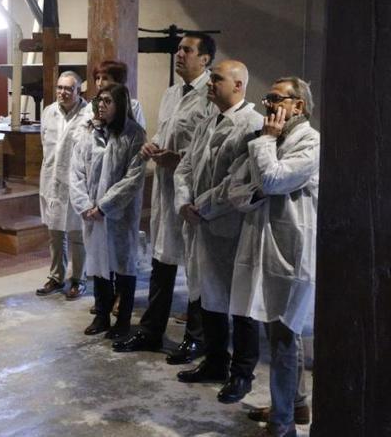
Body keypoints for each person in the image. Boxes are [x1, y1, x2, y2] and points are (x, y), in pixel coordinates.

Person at [113, 32, 215, 364]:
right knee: (162, 259)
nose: (179, 54)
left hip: (194, 190)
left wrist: (181, 159)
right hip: (166, 187)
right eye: (179, 49)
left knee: (197, 267)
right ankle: (151, 330)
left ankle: (197, 338)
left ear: (205, 59)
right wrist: (151, 144)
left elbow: (212, 147)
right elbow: (164, 130)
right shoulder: (172, 93)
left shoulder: (211, 96)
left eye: (187, 50)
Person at [228, 77, 319, 437]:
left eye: (277, 99)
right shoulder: (266, 141)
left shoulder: (310, 142)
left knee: (283, 337)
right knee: (281, 332)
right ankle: (294, 405)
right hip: (263, 249)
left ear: (299, 106)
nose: (268, 106)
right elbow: (237, 189)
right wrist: (257, 188)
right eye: (267, 99)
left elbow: (271, 180)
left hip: (290, 253)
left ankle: (282, 425)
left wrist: (265, 144)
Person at [171, 60, 264, 404]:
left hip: (233, 228)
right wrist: (184, 202)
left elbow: (239, 181)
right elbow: (186, 166)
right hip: (201, 225)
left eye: (217, 79)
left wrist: (202, 207)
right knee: (208, 297)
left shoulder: (252, 125)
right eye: (210, 79)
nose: (210, 83)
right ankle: (214, 362)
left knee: (241, 305)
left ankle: (242, 374)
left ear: (238, 86)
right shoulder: (207, 121)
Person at [69, 84, 146, 339]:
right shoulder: (90, 133)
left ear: (121, 105)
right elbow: (76, 171)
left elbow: (133, 178)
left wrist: (104, 207)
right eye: (99, 100)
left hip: (118, 215)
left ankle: (122, 320)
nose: (101, 105)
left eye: (108, 101)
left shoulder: (134, 135)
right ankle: (101, 315)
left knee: (123, 267)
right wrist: (84, 205)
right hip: (91, 212)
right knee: (99, 265)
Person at [35, 71, 92, 300]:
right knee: (55, 232)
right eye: (60, 87)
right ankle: (56, 276)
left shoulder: (88, 114)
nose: (63, 92)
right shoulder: (49, 112)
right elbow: (44, 143)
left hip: (76, 183)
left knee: (77, 234)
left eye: (68, 88)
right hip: (51, 180)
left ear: (79, 90)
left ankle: (79, 278)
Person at [93, 60, 147, 129]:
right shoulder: (90, 106)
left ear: (117, 81)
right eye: (97, 78)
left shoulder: (133, 105)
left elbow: (140, 131)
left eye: (105, 78)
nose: (99, 83)